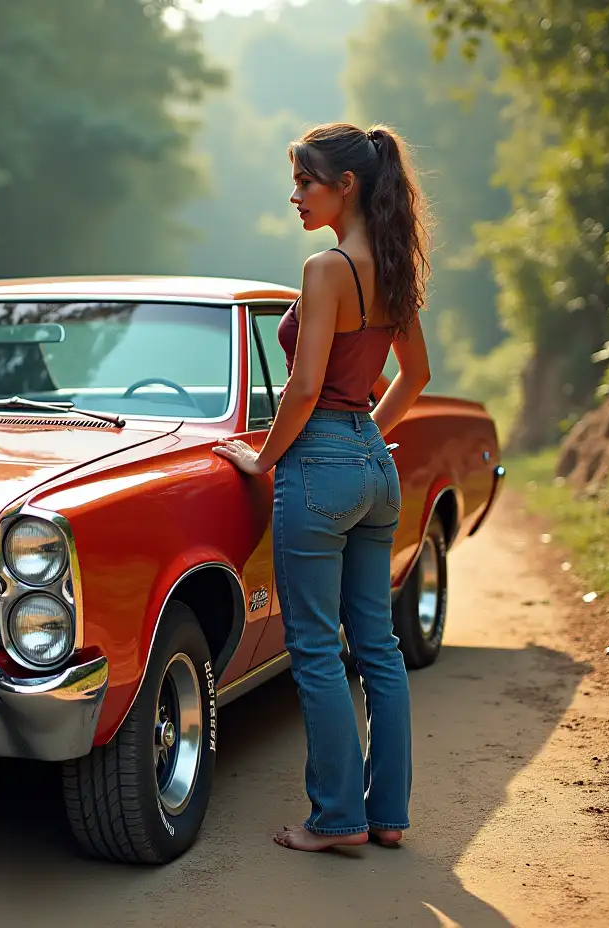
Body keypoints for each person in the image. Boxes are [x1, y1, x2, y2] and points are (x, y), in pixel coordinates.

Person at [213, 122, 433, 852]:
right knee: (377, 647)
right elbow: (417, 378)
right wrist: (369, 434)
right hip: (374, 465)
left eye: (307, 181)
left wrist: (262, 459)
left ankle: (336, 820)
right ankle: (388, 816)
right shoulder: (397, 263)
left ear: (347, 185)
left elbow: (304, 388)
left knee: (312, 646)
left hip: (318, 464)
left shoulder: (327, 268)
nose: (295, 195)